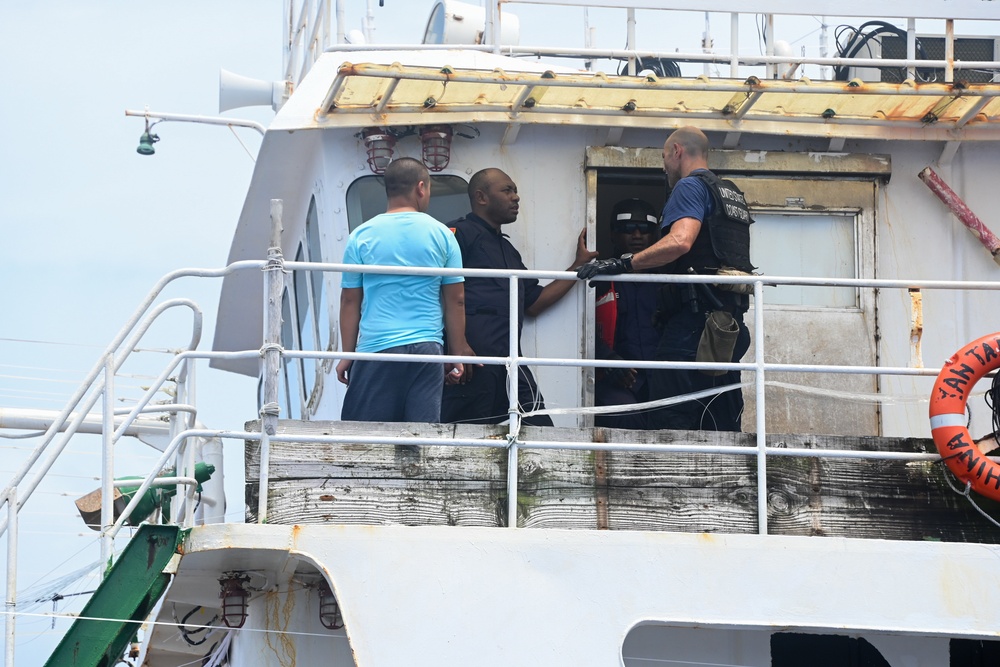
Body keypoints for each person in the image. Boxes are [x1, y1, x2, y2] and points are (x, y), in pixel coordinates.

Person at [577, 126, 754, 432]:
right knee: (718, 410)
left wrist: (623, 264)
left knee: (671, 414)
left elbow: (680, 242)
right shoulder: (729, 194)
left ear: (677, 152)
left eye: (663, 157)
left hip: (693, 324)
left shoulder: (688, 187)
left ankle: (674, 479)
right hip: (727, 326)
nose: (663, 167)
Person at [441, 167, 598, 426]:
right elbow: (435, 290)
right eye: (507, 190)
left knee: (540, 428)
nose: (516, 197)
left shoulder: (508, 250)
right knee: (464, 439)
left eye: (515, 190)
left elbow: (533, 303)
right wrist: (453, 349)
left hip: (511, 362)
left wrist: (578, 268)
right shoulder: (459, 235)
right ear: (481, 197)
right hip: (471, 364)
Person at [336, 157, 472, 422]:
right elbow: (456, 300)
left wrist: (347, 355)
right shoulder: (442, 234)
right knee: (420, 442)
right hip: (427, 350)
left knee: (363, 439)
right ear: (421, 188)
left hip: (377, 350)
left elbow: (350, 301)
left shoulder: (361, 236)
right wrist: (455, 354)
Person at [594, 198, 661, 430]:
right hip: (613, 378)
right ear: (613, 234)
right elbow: (579, 327)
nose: (636, 235)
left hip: (657, 378)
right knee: (625, 417)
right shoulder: (599, 278)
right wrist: (608, 360)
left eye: (645, 229)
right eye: (627, 229)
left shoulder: (667, 280)